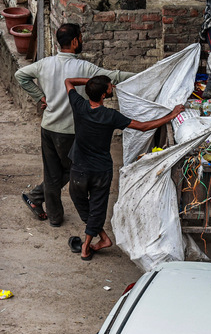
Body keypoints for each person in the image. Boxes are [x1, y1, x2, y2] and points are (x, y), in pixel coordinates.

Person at [16, 23, 135, 227]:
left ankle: (49, 211)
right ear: (74, 41)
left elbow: (21, 76)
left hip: (48, 128)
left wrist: (40, 97)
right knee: (71, 171)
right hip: (70, 132)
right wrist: (148, 75)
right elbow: (113, 77)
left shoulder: (44, 64)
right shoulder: (84, 68)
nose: (81, 41)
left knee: (53, 172)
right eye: (80, 38)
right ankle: (38, 199)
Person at [65, 76, 184, 260]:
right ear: (104, 94)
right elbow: (144, 127)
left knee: (82, 203)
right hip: (100, 171)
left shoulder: (79, 106)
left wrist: (91, 83)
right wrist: (171, 115)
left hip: (79, 167)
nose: (113, 86)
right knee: (96, 207)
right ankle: (100, 239)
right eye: (109, 86)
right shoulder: (111, 116)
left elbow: (68, 82)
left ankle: (87, 245)